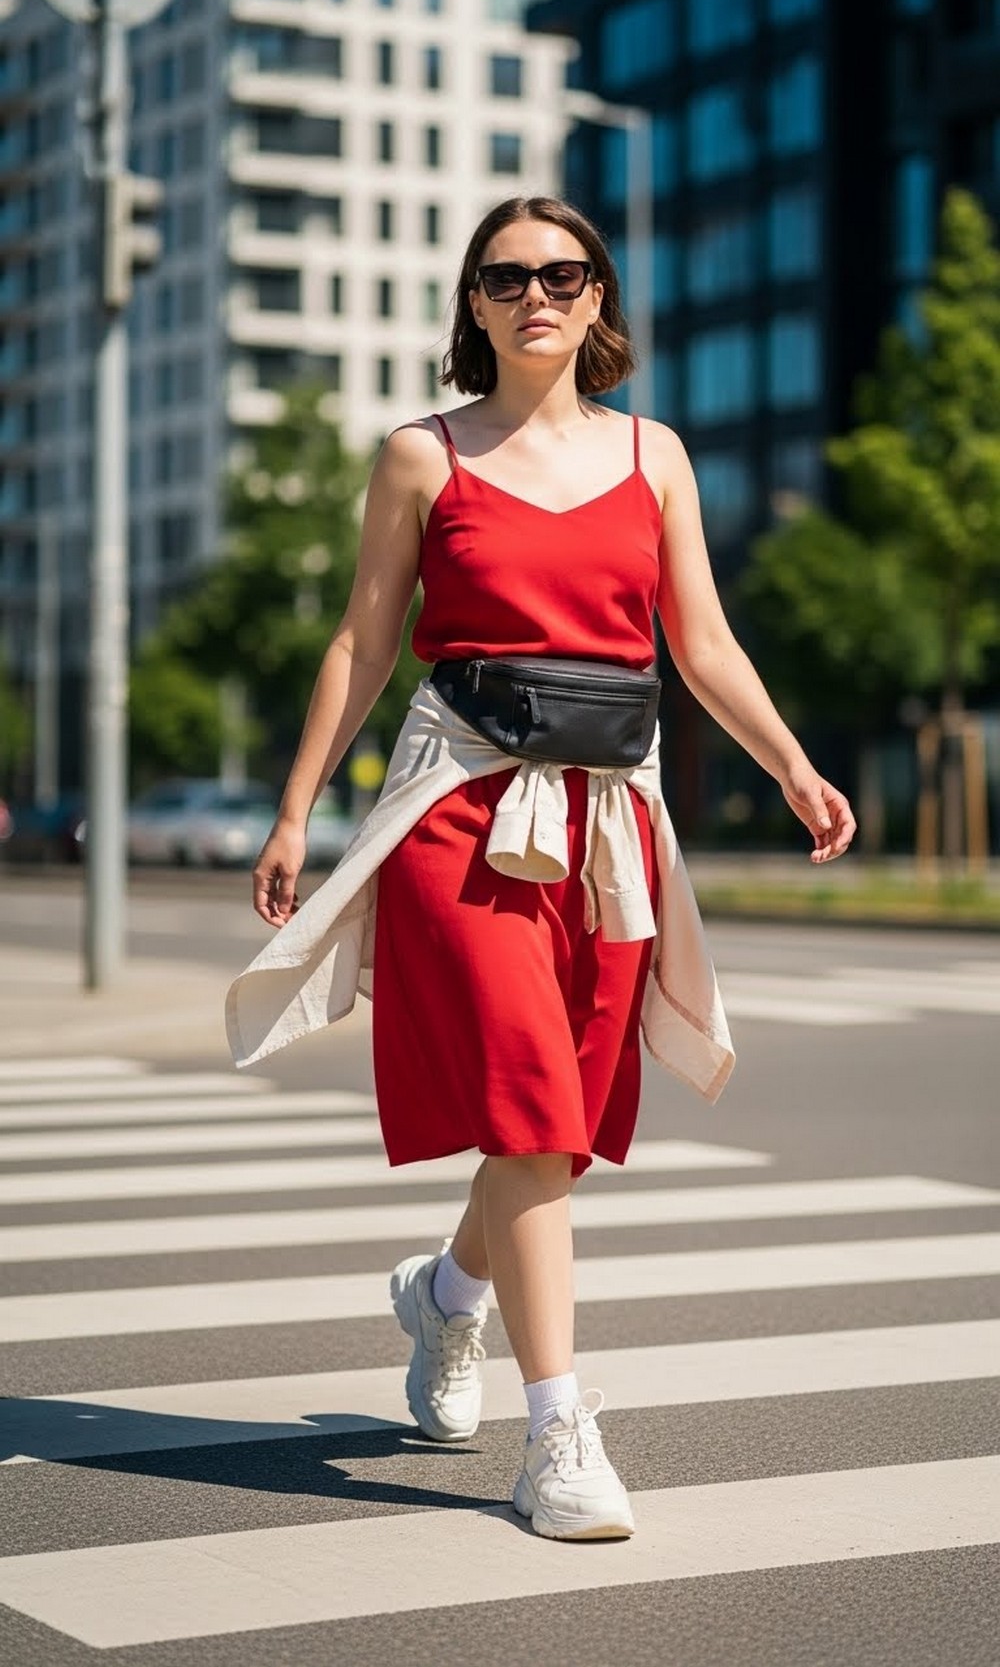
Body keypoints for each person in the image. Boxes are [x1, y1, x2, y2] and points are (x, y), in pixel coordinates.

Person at [231, 194, 856, 1544]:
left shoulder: (658, 455)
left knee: (556, 1126)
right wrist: (295, 811)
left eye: (564, 272)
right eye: (507, 275)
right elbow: (361, 644)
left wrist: (793, 763)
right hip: (461, 809)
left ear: (597, 298)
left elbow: (702, 642)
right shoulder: (420, 456)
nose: (537, 293)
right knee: (525, 1104)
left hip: (607, 823)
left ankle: (448, 1298)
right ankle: (558, 1431)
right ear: (473, 303)